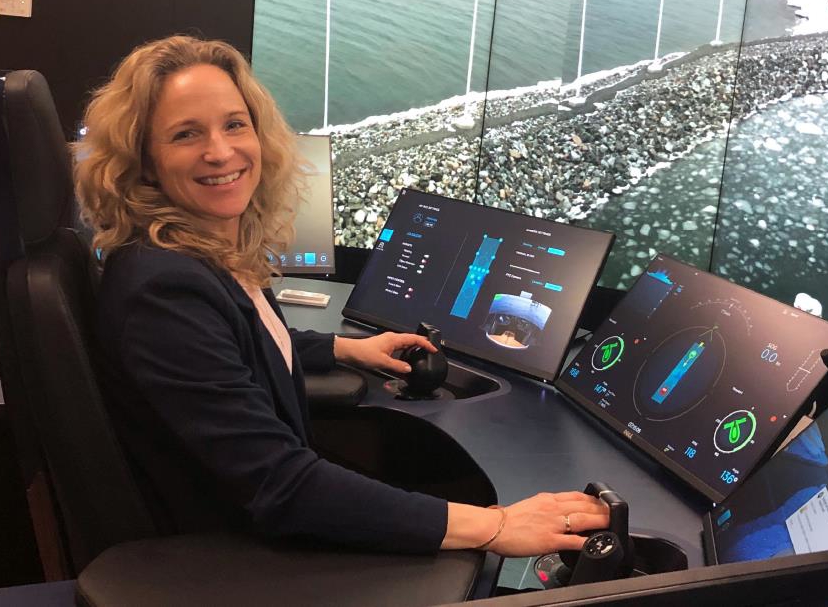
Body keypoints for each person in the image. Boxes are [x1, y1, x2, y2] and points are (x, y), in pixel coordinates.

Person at [75, 35, 608, 556]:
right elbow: (282, 486)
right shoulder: (164, 291)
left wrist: (343, 349)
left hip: (260, 509)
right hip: (235, 551)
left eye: (235, 125)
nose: (221, 151)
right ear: (143, 159)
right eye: (186, 134)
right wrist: (495, 526)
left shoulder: (202, 250)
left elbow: (237, 345)